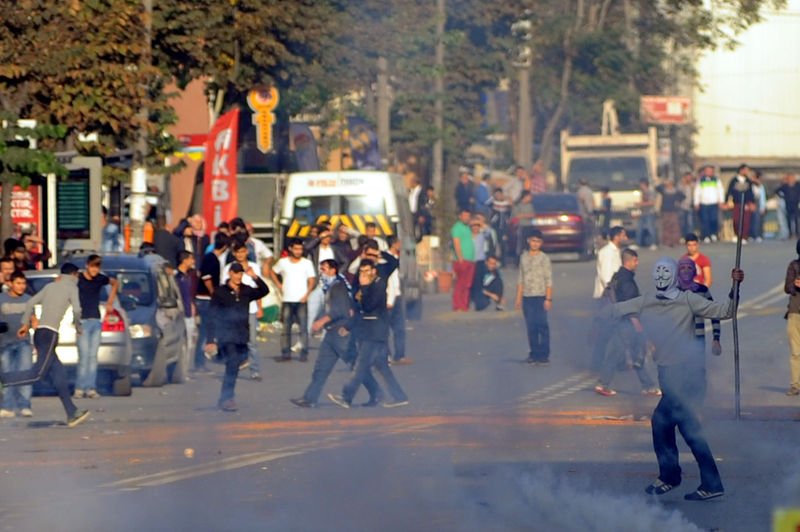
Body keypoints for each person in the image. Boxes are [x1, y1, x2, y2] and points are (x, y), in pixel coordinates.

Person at [612, 258, 744, 502]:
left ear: (673, 276)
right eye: (658, 272)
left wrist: (735, 287)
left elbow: (725, 311)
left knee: (661, 421)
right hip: (666, 372)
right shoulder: (647, 300)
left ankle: (671, 476)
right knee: (687, 427)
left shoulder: (688, 299)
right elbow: (615, 310)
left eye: (666, 272)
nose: (661, 277)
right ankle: (709, 483)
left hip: (684, 374)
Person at [0, 263, 89, 427]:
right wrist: (78, 326)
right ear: (74, 275)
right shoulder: (72, 288)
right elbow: (77, 310)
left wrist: (24, 324)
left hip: (40, 333)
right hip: (50, 334)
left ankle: (72, 412)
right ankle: (3, 380)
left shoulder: (50, 286)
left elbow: (30, 303)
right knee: (37, 374)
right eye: (77, 276)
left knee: (59, 374)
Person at [328, 258, 409, 409]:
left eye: (367, 271)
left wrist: (364, 288)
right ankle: (398, 396)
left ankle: (346, 397)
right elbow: (358, 311)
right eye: (361, 272)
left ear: (373, 271)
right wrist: (348, 326)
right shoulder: (362, 286)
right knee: (382, 367)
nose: (364, 275)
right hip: (367, 331)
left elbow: (369, 306)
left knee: (360, 366)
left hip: (375, 333)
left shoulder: (378, 285)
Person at [594, 248, 659, 397]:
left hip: (619, 320)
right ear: (629, 261)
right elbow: (630, 306)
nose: (637, 263)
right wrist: (638, 325)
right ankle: (604, 384)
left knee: (633, 354)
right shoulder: (627, 281)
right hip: (627, 323)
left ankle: (647, 386)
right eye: (635, 260)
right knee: (625, 353)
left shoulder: (617, 277)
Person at [290, 259, 355, 408]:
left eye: (324, 269)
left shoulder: (338, 287)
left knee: (355, 365)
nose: (321, 273)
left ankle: (376, 392)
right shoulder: (330, 287)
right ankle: (310, 398)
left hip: (340, 333)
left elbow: (340, 310)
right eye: (320, 269)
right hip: (331, 333)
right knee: (321, 368)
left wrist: (321, 321)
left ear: (333, 270)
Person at [205, 262, 269, 411]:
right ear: (230, 274)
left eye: (240, 273)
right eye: (236, 273)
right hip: (226, 335)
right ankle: (227, 398)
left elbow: (264, 291)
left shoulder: (246, 290)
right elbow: (211, 316)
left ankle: (225, 397)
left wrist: (254, 277)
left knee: (235, 365)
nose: (238, 276)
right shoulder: (220, 292)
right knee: (232, 364)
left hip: (242, 335)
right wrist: (210, 340)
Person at [74, 254, 119, 399]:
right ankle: (79, 388)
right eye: (93, 266)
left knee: (93, 357)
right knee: (83, 356)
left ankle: (91, 388)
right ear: (87, 265)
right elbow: (62, 281)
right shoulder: (78, 278)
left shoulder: (100, 278)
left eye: (97, 267)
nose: (95, 270)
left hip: (95, 321)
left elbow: (115, 283)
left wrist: (110, 302)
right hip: (82, 321)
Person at [222, 241, 265, 379]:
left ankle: (255, 370)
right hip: (233, 310)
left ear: (247, 252)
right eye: (237, 252)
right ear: (234, 253)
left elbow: (259, 289)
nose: (240, 255)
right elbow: (224, 288)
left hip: (250, 309)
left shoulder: (254, 267)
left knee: (252, 341)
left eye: (242, 251)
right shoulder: (228, 268)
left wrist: (260, 307)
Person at [270, 239, 316, 362]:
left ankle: (304, 352)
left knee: (303, 327)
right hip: (287, 299)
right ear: (290, 249)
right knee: (286, 327)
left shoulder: (307, 263)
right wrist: (279, 285)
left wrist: (307, 294)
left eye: (300, 249)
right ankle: (286, 352)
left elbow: (312, 280)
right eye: (296, 249)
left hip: (301, 299)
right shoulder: (283, 262)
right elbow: (272, 272)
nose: (298, 251)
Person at [591, 226, 627, 371]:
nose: (625, 238)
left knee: (618, 330)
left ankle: (619, 361)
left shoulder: (616, 252)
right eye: (623, 235)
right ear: (617, 236)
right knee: (605, 332)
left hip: (614, 296)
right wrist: (614, 298)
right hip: (607, 297)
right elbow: (607, 278)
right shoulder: (607, 253)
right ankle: (597, 363)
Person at [515, 230, 552, 365]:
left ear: (541, 243)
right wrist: (518, 298)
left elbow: (548, 280)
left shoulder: (544, 258)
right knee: (531, 326)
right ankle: (534, 353)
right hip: (527, 296)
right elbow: (521, 278)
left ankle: (544, 354)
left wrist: (548, 298)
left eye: (538, 241)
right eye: (533, 241)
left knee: (542, 325)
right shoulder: (523, 258)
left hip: (541, 296)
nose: (535, 244)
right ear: (528, 241)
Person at [194, 232, 229, 373]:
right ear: (225, 246)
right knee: (205, 331)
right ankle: (199, 362)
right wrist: (213, 293)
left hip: (205, 299)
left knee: (207, 331)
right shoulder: (212, 259)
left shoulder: (210, 257)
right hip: (205, 300)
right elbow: (206, 278)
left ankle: (201, 361)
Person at [0, 272, 34, 418]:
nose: (21, 286)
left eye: (23, 283)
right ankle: (7, 407)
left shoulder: (28, 300)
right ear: (10, 284)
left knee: (24, 374)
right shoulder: (1, 299)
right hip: (4, 343)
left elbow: (33, 320)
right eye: (18, 283)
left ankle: (24, 406)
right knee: (7, 375)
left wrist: (32, 330)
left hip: (23, 343)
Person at [676, 257, 721, 357]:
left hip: (698, 342)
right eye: (682, 268)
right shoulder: (672, 292)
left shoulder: (702, 290)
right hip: (677, 343)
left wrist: (716, 338)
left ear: (694, 271)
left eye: (689, 268)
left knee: (697, 366)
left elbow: (714, 313)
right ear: (677, 272)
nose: (686, 271)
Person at [385, 235, 410, 365]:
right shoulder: (386, 259)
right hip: (389, 297)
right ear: (394, 244)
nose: (400, 244)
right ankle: (386, 355)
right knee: (385, 329)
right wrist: (390, 300)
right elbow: (390, 280)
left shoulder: (397, 257)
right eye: (398, 242)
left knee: (399, 328)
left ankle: (400, 355)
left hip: (398, 295)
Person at [174, 250, 198, 380]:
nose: (193, 261)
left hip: (189, 312)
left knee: (189, 343)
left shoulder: (189, 276)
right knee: (183, 343)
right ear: (184, 260)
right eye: (191, 259)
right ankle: (181, 371)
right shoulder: (177, 277)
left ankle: (185, 370)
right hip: (181, 313)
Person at [783, 239, 800, 396]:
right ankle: (795, 385)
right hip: (795, 313)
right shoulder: (794, 266)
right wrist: (795, 285)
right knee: (796, 352)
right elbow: (787, 287)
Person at [450, 209, 475, 312]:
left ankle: (464, 305)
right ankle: (457, 305)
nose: (466, 218)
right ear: (460, 216)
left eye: (468, 216)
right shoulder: (457, 228)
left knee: (467, 284)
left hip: (471, 260)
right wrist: (460, 258)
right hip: (462, 260)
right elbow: (456, 243)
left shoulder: (468, 228)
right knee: (460, 284)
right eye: (464, 216)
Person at [724, 164, 755, 242]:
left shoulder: (748, 181)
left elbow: (751, 193)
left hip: (746, 204)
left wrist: (752, 203)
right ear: (741, 170)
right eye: (745, 170)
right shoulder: (734, 180)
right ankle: (737, 235)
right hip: (736, 203)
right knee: (736, 220)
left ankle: (744, 237)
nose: (747, 172)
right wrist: (726, 202)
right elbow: (729, 192)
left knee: (746, 221)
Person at [694, 166, 725, 243]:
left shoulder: (716, 180)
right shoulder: (701, 180)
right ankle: (706, 236)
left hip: (713, 203)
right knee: (705, 220)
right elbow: (697, 192)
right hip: (704, 203)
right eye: (707, 171)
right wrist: (696, 202)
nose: (709, 172)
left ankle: (713, 234)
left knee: (713, 219)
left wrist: (721, 201)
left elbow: (720, 191)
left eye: (710, 171)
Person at [655, 179, 684, 248]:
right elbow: (657, 188)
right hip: (665, 211)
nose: (669, 185)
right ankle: (667, 242)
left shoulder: (676, 191)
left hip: (673, 211)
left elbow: (683, 196)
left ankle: (675, 241)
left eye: (670, 184)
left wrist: (678, 201)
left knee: (675, 226)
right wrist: (663, 183)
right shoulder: (664, 191)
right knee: (666, 226)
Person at [777, 173, 800, 238]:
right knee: (789, 219)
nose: (791, 179)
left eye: (792, 178)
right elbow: (777, 191)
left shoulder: (798, 185)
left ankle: (797, 233)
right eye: (790, 178)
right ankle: (790, 233)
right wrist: (782, 196)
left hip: (796, 204)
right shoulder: (785, 186)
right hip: (788, 204)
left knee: (796, 219)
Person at [636, 179, 657, 249]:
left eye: (641, 184)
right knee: (639, 228)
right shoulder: (642, 192)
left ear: (644, 184)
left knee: (651, 228)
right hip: (643, 212)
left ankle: (653, 243)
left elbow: (652, 202)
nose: (640, 186)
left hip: (650, 212)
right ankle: (638, 243)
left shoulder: (651, 191)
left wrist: (641, 204)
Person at [750, 170, 766, 242]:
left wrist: (762, 207)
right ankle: (751, 235)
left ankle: (757, 235)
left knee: (758, 221)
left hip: (758, 203)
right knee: (751, 220)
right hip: (751, 203)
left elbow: (762, 197)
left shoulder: (760, 186)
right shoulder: (751, 185)